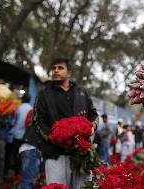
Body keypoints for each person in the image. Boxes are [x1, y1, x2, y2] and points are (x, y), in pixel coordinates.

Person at [33, 58, 98, 189]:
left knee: (83, 187)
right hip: (55, 152)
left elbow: (93, 114)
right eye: (53, 68)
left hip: (81, 154)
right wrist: (54, 137)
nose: (55, 70)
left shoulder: (82, 93)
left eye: (60, 68)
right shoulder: (44, 94)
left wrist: (92, 127)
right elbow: (38, 120)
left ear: (69, 73)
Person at [18, 109, 41, 189]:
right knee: (27, 182)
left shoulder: (34, 112)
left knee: (28, 181)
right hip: (31, 148)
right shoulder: (39, 113)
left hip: (28, 148)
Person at [10, 94, 33, 174]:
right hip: (26, 136)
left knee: (16, 154)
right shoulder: (31, 108)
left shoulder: (19, 108)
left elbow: (14, 120)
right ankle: (22, 173)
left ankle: (16, 172)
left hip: (17, 135)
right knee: (24, 154)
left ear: (22, 99)